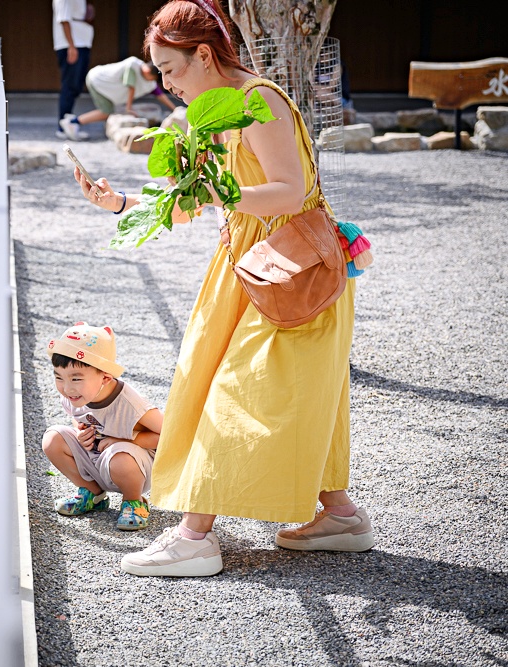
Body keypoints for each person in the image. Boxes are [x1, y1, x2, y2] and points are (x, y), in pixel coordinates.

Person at [70, 0, 374, 577]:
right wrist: (122, 203)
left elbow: (288, 191)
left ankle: (193, 537)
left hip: (289, 269)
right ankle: (339, 515)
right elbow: (196, 200)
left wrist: (216, 197)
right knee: (258, 389)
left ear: (204, 55)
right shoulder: (214, 110)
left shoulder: (258, 101)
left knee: (233, 393)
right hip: (252, 268)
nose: (164, 83)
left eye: (169, 68)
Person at [42, 323, 163, 531]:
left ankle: (133, 501)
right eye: (58, 377)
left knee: (121, 457)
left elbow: (171, 435)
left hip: (132, 466)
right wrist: (80, 431)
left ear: (105, 377)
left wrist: (126, 440)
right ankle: (93, 493)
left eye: (76, 378)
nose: (66, 387)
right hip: (97, 457)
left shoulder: (132, 405)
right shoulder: (74, 394)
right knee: (52, 439)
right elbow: (76, 416)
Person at [60, 56, 178, 141]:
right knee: (106, 112)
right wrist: (128, 108)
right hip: (97, 80)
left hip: (102, 84)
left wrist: (175, 109)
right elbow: (130, 86)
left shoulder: (149, 82)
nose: (151, 81)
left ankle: (72, 122)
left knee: (108, 111)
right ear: (148, 71)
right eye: (152, 78)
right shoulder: (133, 65)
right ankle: (72, 122)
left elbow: (160, 95)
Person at [53, 0, 94, 139]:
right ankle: (63, 127)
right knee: (70, 86)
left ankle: (68, 123)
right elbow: (63, 19)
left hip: (81, 43)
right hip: (72, 45)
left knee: (75, 86)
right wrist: (71, 46)